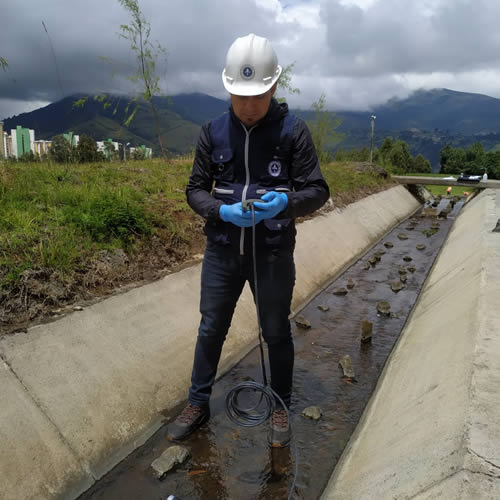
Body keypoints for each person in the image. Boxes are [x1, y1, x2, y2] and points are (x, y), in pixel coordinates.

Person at [167, 33, 330, 447]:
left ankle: (280, 405)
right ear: (228, 88)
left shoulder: (292, 132)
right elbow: (195, 189)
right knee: (210, 329)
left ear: (274, 87)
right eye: (241, 97)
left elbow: (318, 190)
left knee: (275, 330)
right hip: (223, 252)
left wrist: (286, 203)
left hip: (272, 253)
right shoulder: (213, 132)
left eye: (258, 96)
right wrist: (220, 211)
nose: (249, 105)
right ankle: (198, 402)